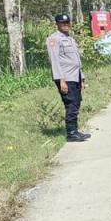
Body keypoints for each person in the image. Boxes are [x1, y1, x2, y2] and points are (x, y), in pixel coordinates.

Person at [46, 14, 90, 142]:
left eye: (67, 22)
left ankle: (75, 130)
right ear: (57, 24)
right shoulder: (53, 39)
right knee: (71, 104)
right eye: (62, 23)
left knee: (76, 103)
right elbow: (54, 61)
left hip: (74, 76)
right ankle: (71, 133)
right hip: (65, 77)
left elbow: (76, 60)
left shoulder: (70, 38)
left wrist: (82, 78)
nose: (65, 25)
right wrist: (61, 80)